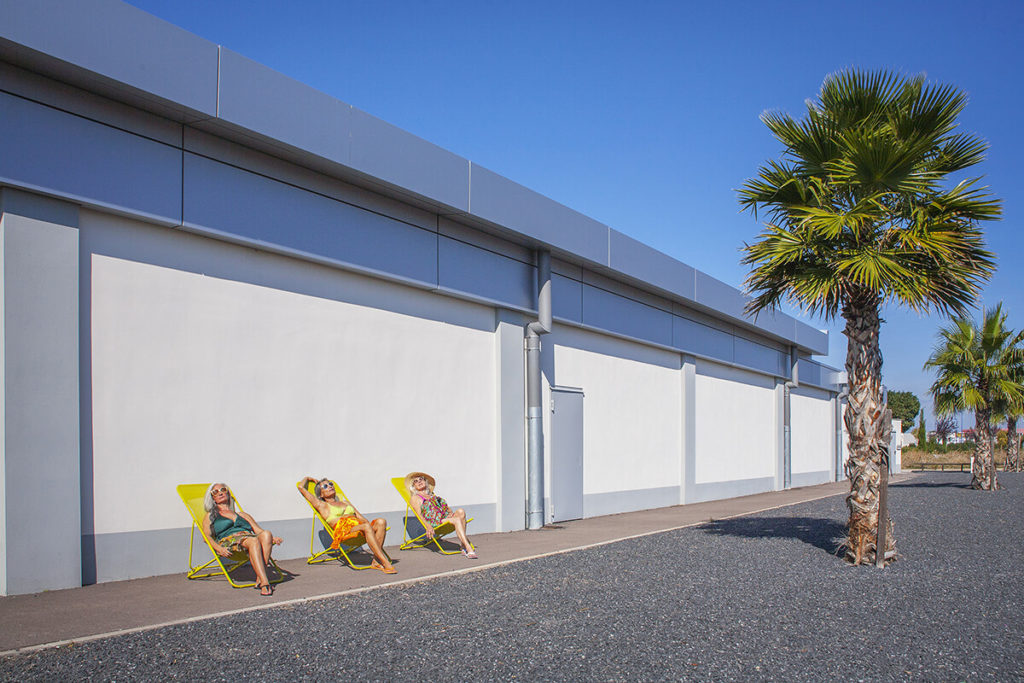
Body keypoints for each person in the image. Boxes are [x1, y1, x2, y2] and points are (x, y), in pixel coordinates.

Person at [297, 476, 396, 574]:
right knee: (366, 527)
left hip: (359, 528)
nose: (330, 486)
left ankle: (376, 561)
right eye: (325, 486)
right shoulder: (322, 505)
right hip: (344, 532)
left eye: (331, 484)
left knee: (381, 521)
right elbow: (301, 487)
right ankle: (385, 562)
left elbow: (362, 519)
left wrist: (371, 527)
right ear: (321, 494)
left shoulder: (346, 503)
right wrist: (308, 478)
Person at [202, 482, 282, 596]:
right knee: (253, 540)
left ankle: (260, 577)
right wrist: (218, 548)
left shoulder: (243, 515)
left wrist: (272, 538)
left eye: (223, 490)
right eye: (215, 492)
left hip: (248, 539)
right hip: (230, 542)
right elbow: (206, 537)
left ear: (228, 493)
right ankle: (264, 582)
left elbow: (259, 531)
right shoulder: (211, 516)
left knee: (267, 534)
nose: (220, 493)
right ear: (212, 498)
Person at [404, 471, 477, 559]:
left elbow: (447, 508)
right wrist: (428, 526)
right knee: (457, 520)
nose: (419, 482)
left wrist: (450, 513)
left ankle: (463, 545)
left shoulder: (432, 495)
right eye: (415, 481)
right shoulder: (415, 498)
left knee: (461, 511)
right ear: (414, 487)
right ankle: (468, 548)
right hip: (434, 521)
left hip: (443, 518)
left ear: (426, 482)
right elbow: (419, 515)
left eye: (421, 479)